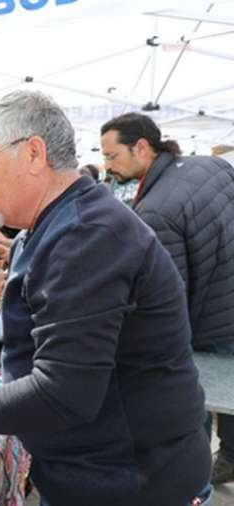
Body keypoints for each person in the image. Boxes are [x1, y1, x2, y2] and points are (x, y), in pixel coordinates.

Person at [0, 90, 211, 505]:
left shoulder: (87, 237)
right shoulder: (47, 224)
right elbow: (21, 312)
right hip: (91, 473)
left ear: (33, 154)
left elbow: (65, 393)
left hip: (131, 483)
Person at [101, 112, 234, 486]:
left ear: (141, 147)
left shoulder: (156, 210)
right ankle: (230, 457)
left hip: (210, 323)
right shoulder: (212, 165)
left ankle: (193, 480)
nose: (109, 166)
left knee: (197, 402)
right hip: (227, 301)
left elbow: (169, 300)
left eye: (112, 156)